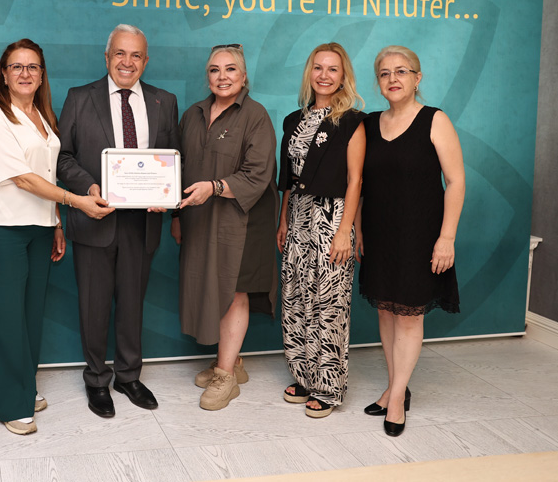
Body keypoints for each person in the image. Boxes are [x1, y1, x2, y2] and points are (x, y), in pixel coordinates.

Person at [0, 39, 113, 435]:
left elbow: (48, 174)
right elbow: (23, 178)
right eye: (16, 67)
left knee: (30, 315)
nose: (25, 73)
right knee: (6, 319)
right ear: (3, 74)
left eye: (32, 67)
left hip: (38, 226)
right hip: (1, 228)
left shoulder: (43, 116)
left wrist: (55, 223)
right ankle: (10, 403)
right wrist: (75, 202)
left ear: (41, 75)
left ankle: (24, 384)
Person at [56, 24, 180, 417]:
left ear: (146, 60)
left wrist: (166, 194)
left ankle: (128, 376)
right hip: (95, 218)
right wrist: (88, 186)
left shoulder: (164, 101)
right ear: (107, 57)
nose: (128, 62)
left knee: (132, 304)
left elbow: (173, 158)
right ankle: (96, 380)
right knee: (93, 306)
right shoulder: (79, 98)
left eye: (136, 55)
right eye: (120, 54)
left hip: (142, 223)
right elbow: (62, 157)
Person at [357, 46, 464, 437]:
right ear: (378, 82)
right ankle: (394, 386)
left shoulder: (435, 120)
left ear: (418, 78)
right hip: (379, 235)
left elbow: (456, 181)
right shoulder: (369, 124)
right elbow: (359, 183)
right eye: (385, 73)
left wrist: (447, 237)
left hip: (420, 237)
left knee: (408, 316)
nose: (393, 79)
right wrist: (358, 229)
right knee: (386, 313)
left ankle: (397, 398)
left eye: (401, 71)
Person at [171, 45, 279, 410]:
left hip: (244, 221)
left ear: (244, 76)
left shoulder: (255, 115)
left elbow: (258, 173)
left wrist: (215, 187)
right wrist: (175, 216)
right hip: (200, 221)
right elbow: (177, 170)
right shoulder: (192, 114)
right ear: (207, 77)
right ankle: (231, 361)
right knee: (211, 287)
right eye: (215, 70)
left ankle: (225, 376)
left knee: (234, 292)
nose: (222, 76)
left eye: (231, 69)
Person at [277, 42, 365, 418]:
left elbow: (356, 179)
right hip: (298, 215)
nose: (324, 75)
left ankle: (328, 385)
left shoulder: (353, 121)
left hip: (333, 216)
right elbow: (288, 179)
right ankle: (304, 376)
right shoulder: (292, 120)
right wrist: (283, 219)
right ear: (309, 73)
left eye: (332, 69)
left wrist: (345, 231)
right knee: (296, 297)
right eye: (318, 67)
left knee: (327, 303)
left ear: (343, 76)